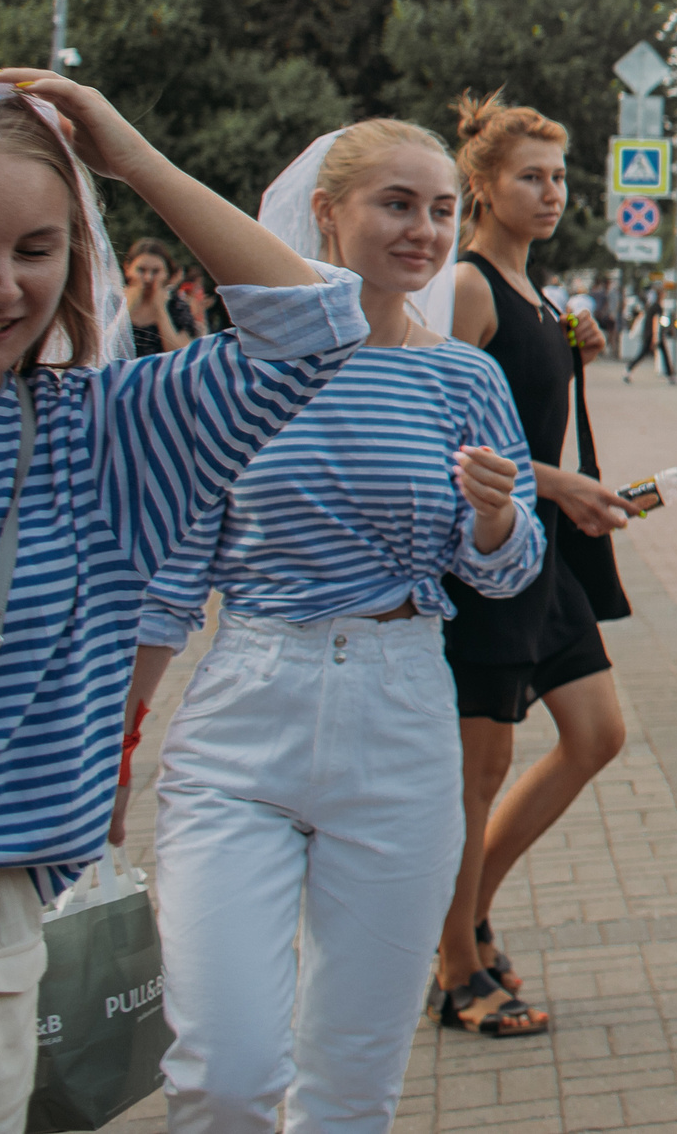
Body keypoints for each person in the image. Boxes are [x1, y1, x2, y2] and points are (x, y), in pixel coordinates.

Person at [0, 70, 366, 1134]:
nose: (2, 285)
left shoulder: (96, 439)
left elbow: (318, 325)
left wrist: (130, 161)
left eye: (35, 248)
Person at [124, 119, 544, 1133]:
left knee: (353, 1082)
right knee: (225, 1070)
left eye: (443, 210)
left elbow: (510, 566)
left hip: (401, 715)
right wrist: (115, 740)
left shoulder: (464, 378)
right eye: (396, 205)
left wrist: (494, 518)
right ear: (326, 212)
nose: (425, 232)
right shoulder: (242, 371)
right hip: (247, 710)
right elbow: (171, 576)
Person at [432, 92, 636, 1037]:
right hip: (488, 560)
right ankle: (453, 965)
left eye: (559, 177)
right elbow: (442, 437)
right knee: (479, 768)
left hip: (545, 561)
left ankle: (467, 907)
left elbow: (523, 409)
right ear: (480, 186)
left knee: (596, 733)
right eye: (531, 177)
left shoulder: (537, 295)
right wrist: (560, 486)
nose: (552, 193)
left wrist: (573, 348)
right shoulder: (468, 284)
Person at [123, 236, 198, 356]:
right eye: (141, 270)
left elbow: (182, 355)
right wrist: (126, 309)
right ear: (128, 268)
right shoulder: (113, 301)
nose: (148, 278)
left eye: (155, 271)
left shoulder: (176, 306)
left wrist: (161, 311)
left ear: (167, 273)